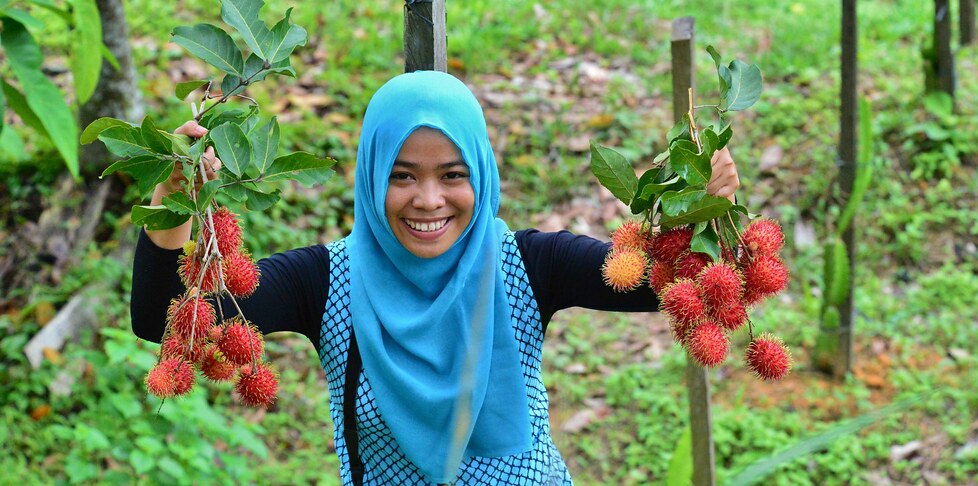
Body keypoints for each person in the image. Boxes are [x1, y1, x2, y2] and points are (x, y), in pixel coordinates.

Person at [131, 71, 740, 485]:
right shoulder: (326, 281)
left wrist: (701, 206)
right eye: (402, 176)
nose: (428, 200)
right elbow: (165, 319)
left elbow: (663, 283)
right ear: (371, 177)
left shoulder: (526, 265)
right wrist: (175, 205)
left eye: (452, 174)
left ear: (481, 173)